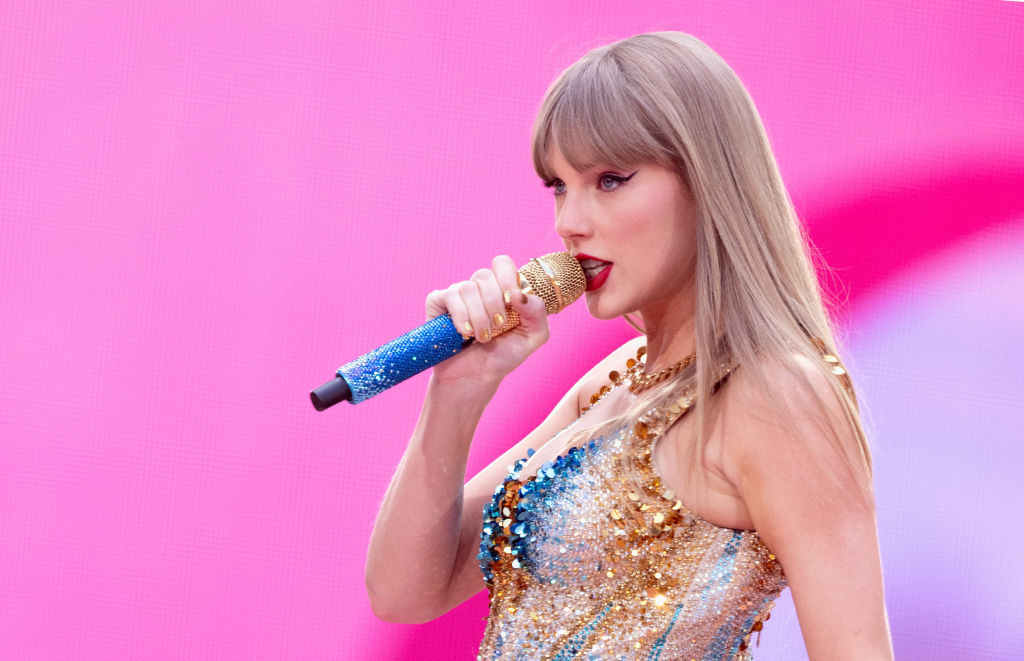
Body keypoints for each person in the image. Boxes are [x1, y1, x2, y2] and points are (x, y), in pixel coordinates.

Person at [365, 32, 893, 660]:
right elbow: (403, 593)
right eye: (559, 186)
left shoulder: (776, 392)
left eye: (610, 180)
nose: (569, 222)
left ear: (707, 180)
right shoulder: (616, 379)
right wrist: (458, 390)